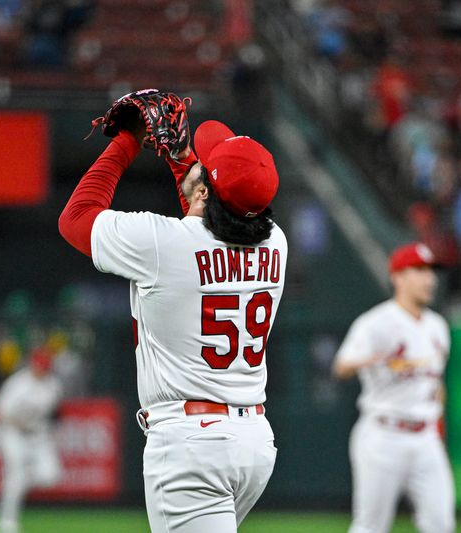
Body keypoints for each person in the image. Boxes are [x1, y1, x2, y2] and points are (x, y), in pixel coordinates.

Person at [58, 98, 287, 532]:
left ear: (203, 193)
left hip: (192, 445)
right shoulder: (275, 241)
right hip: (252, 441)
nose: (199, 159)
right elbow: (207, 223)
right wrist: (182, 159)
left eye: (206, 162)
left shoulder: (163, 246)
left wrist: (128, 141)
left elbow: (76, 218)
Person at [332, 243, 454, 533]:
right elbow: (341, 367)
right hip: (383, 435)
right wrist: (371, 359)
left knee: (441, 524)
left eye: (431, 272)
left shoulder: (438, 327)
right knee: (371, 526)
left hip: (425, 438)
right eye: (419, 271)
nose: (429, 279)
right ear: (398, 277)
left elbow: (436, 385)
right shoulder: (376, 323)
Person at [0, 348, 63, 533]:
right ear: (33, 364)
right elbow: (0, 412)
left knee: (51, 476)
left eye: (45, 366)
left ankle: (22, 480)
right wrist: (20, 423)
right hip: (14, 434)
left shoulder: (53, 385)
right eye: (39, 365)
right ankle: (7, 523)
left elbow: (55, 414)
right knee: (14, 478)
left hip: (39, 435)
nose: (41, 369)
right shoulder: (17, 383)